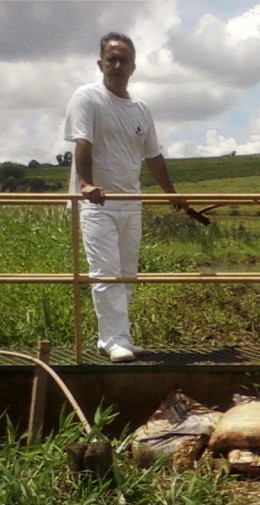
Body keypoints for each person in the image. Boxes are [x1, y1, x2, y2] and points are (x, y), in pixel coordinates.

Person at [63, 32, 181, 362]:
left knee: (127, 273)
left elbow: (153, 156)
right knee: (105, 272)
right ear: (100, 63)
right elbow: (81, 141)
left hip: (131, 201)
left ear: (133, 66)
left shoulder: (141, 109)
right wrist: (86, 184)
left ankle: (113, 337)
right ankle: (116, 340)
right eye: (110, 59)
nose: (116, 65)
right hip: (97, 203)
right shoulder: (87, 97)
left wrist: (173, 195)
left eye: (123, 60)